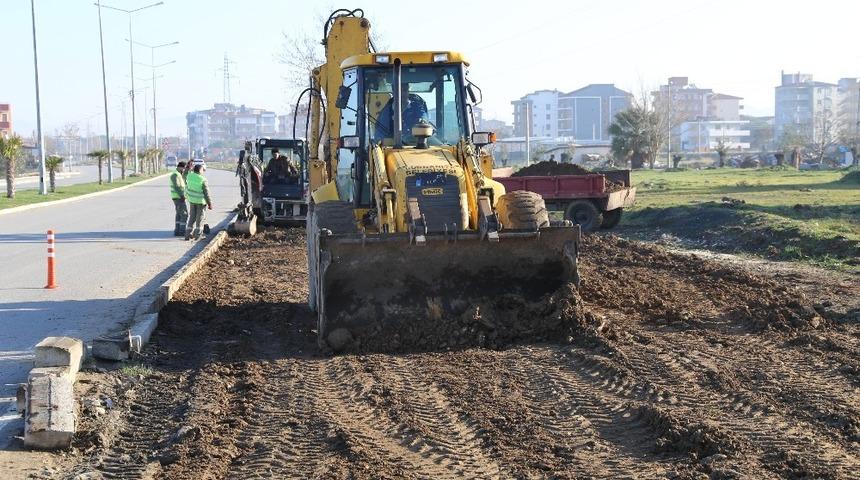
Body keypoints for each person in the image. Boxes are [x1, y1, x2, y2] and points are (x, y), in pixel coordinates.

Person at [185, 164, 213, 240]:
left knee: (192, 218)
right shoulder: (202, 179)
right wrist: (210, 203)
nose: (203, 171)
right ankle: (197, 236)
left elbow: (186, 174)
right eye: (202, 170)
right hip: (200, 202)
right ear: (200, 170)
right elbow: (206, 193)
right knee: (199, 219)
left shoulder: (189, 176)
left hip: (191, 200)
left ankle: (187, 234)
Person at [168, 161, 188, 236]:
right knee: (184, 214)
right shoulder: (175, 175)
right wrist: (182, 196)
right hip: (178, 197)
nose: (184, 170)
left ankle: (177, 231)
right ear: (180, 167)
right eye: (184, 168)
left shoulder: (178, 174)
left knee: (179, 214)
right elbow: (176, 187)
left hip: (178, 197)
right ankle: (182, 232)